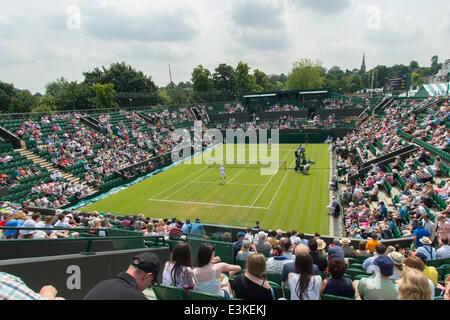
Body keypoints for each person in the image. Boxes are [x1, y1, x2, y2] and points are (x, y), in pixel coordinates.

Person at [83, 252, 160, 300]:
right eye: (151, 282)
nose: (148, 285)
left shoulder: (102, 284)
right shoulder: (136, 297)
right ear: (147, 277)